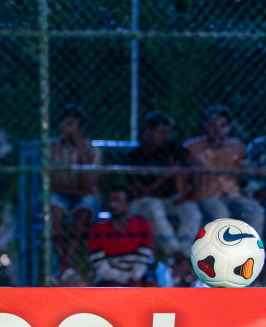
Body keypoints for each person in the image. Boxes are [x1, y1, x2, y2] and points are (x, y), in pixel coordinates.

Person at [126, 111, 200, 276]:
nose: (165, 136)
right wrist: (165, 176)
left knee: (190, 209)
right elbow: (142, 191)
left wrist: (187, 194)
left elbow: (196, 167)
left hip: (170, 200)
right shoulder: (134, 156)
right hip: (141, 203)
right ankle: (176, 256)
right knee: (154, 206)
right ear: (148, 132)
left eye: (167, 132)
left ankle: (185, 255)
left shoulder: (171, 148)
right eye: (161, 132)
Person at [185, 106, 265, 232]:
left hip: (232, 193)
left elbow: (245, 173)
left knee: (255, 211)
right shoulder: (192, 147)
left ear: (228, 127)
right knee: (220, 214)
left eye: (222, 125)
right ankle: (221, 250)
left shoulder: (237, 147)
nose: (217, 130)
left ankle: (249, 248)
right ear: (205, 126)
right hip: (207, 194)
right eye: (212, 125)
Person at [48, 104, 101, 272]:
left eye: (73, 124)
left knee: (83, 215)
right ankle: (62, 257)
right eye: (66, 123)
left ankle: (67, 259)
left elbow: (89, 182)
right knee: (53, 214)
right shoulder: (53, 148)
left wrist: (79, 148)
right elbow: (50, 182)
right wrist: (73, 188)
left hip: (83, 195)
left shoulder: (91, 149)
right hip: (60, 193)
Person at [72, 187, 157, 287]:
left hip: (137, 277)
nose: (113, 205)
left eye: (118, 201)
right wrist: (125, 280)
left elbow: (143, 258)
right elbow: (102, 268)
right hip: (110, 279)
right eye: (111, 200)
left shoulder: (142, 227)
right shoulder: (96, 231)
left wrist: (134, 279)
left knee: (154, 286)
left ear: (128, 203)